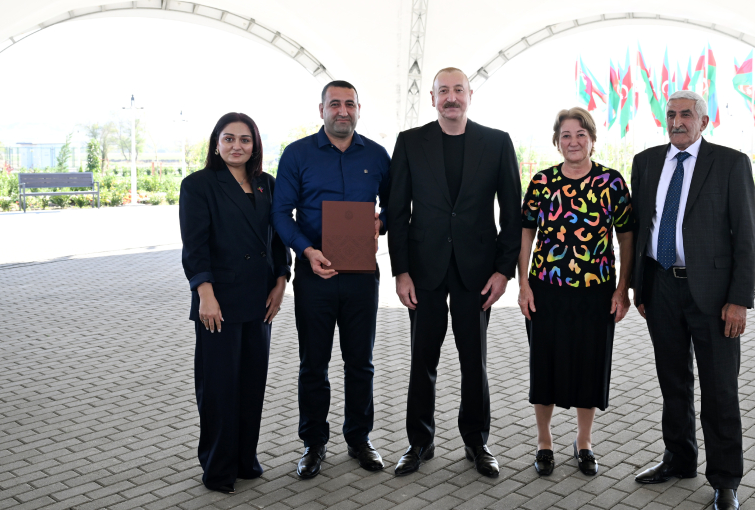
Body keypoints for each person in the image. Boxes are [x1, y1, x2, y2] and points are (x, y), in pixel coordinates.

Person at [388, 67, 522, 477]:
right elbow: (397, 211)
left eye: (458, 90)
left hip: (477, 272)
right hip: (423, 271)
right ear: (432, 98)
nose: (451, 97)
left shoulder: (497, 143)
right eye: (443, 90)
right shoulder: (410, 142)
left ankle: (477, 442)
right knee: (422, 360)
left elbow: (512, 213)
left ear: (469, 96)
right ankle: (419, 442)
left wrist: (503, 272)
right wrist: (401, 272)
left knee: (474, 361)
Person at [630, 90, 755, 510]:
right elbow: (640, 229)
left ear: (704, 121)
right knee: (673, 383)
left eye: (686, 114)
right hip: (661, 287)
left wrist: (739, 299)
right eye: (671, 114)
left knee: (720, 390)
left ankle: (725, 479)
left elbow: (747, 236)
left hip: (714, 296)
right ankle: (679, 458)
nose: (677, 121)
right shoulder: (646, 162)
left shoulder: (730, 163)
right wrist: (640, 288)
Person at [271, 80, 390, 479]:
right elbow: (280, 213)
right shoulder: (297, 154)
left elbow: (396, 206)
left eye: (349, 104)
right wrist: (307, 251)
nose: (342, 111)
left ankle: (359, 439)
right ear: (320, 109)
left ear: (359, 109)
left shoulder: (377, 155)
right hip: (314, 274)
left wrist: (381, 223)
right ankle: (313, 443)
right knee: (313, 364)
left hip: (362, 275)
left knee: (361, 364)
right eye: (334, 104)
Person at [517, 107, 635, 477]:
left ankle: (584, 442)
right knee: (545, 366)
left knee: (590, 366)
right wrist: (523, 284)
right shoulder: (542, 182)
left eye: (580, 134)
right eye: (566, 135)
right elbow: (525, 234)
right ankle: (544, 442)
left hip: (596, 292)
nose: (573, 141)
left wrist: (622, 289)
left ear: (592, 140)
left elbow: (626, 237)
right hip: (546, 290)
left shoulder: (611, 182)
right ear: (557, 142)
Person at [179, 112, 291, 494]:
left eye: (245, 139)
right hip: (218, 302)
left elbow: (278, 238)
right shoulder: (198, 185)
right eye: (229, 138)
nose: (236, 146)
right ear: (216, 143)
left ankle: (245, 460)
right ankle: (218, 469)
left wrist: (281, 281)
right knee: (219, 389)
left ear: (254, 145)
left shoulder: (267, 184)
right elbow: (194, 246)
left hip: (260, 300)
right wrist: (205, 294)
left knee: (251, 385)